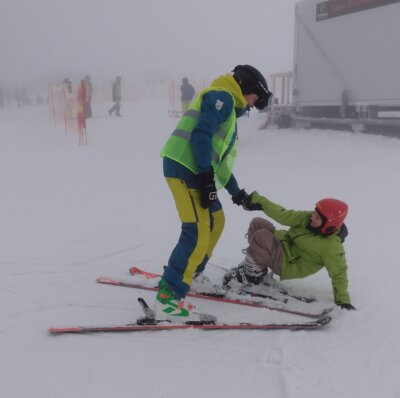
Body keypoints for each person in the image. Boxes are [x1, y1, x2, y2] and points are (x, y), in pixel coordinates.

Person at [156, 65, 272, 322]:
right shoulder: (222, 98)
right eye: (256, 99)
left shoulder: (227, 105)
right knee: (196, 232)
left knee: (216, 221)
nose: (253, 106)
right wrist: (205, 178)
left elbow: (215, 159)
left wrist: (236, 193)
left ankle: (192, 273)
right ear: (247, 89)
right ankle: (169, 299)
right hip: (185, 170)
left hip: (196, 171)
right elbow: (200, 136)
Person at [223, 193, 356, 310]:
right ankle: (257, 270)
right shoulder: (308, 219)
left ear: (329, 224)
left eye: (317, 218)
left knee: (261, 236)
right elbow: (284, 215)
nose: (312, 217)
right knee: (257, 223)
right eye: (314, 213)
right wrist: (260, 202)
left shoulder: (332, 247)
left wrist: (343, 300)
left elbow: (339, 273)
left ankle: (251, 275)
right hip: (285, 247)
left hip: (288, 264)